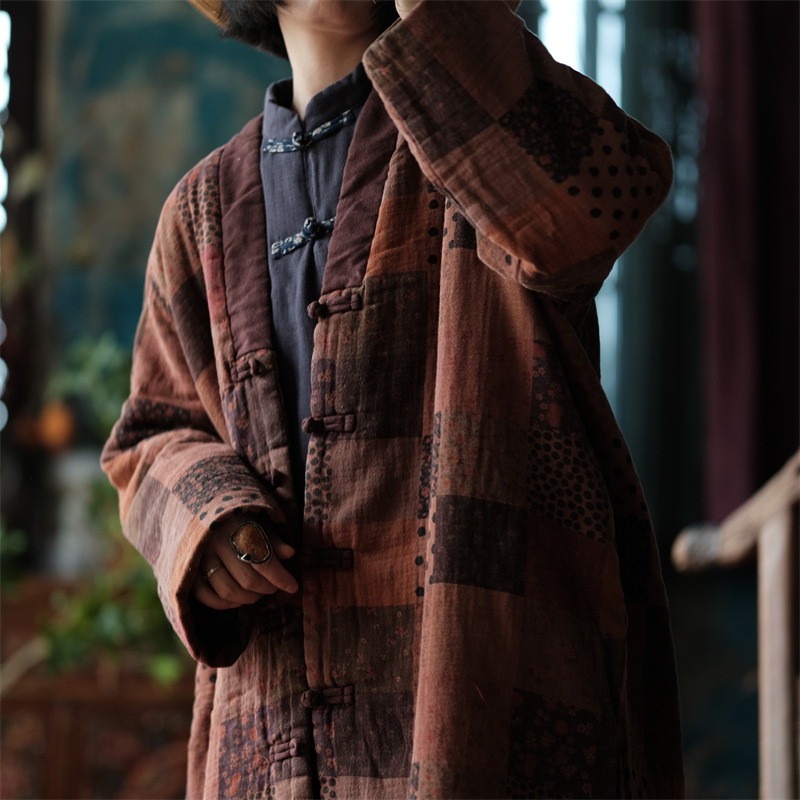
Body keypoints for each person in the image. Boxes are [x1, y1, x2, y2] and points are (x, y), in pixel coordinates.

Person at [101, 1, 685, 797]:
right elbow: (151, 433)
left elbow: (594, 212)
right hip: (270, 734)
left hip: (494, 693)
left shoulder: (486, 127)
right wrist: (207, 520)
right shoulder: (198, 211)